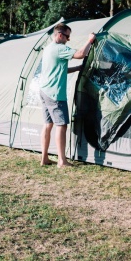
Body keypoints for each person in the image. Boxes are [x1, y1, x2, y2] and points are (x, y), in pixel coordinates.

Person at [39, 23, 95, 167]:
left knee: (47, 125)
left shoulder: (48, 49)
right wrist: (90, 40)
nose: (68, 40)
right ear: (60, 35)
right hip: (55, 94)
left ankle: (44, 158)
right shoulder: (59, 48)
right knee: (61, 125)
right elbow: (81, 54)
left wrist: (77, 68)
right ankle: (62, 161)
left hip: (44, 91)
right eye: (67, 37)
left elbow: (57, 69)